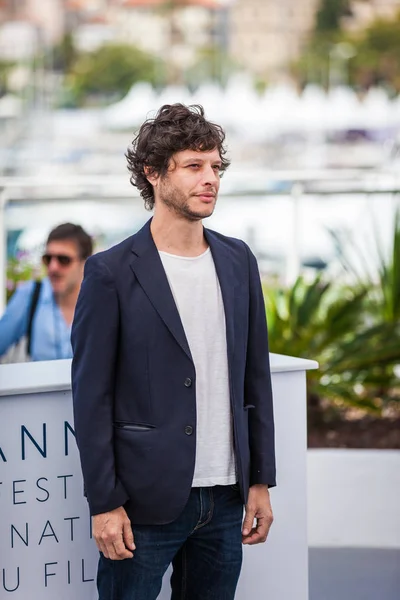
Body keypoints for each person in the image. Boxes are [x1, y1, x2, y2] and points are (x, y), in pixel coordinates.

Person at [71, 104, 276, 600]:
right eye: (193, 166)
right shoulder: (110, 273)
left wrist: (259, 480)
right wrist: (105, 503)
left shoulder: (238, 259)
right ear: (153, 173)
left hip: (226, 497)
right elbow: (91, 399)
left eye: (215, 167)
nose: (210, 179)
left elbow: (254, 376)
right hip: (143, 501)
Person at [0, 223, 93, 361]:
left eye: (63, 259)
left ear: (85, 263)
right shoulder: (30, 294)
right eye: (48, 259)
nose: (53, 267)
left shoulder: (101, 301)